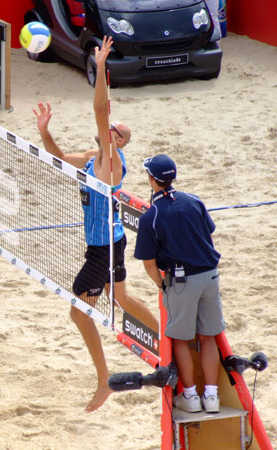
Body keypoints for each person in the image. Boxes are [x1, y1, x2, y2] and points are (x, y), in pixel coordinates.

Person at [33, 35, 158, 413]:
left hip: (105, 248)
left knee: (78, 310)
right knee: (119, 298)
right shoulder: (91, 157)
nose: (110, 130)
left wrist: (102, 67)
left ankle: (104, 379)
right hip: (106, 242)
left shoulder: (112, 163)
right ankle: (166, 339)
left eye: (116, 131)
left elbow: (101, 109)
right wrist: (44, 132)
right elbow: (56, 155)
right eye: (113, 129)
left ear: (118, 142)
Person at [134, 154, 224, 413]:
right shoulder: (194, 200)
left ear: (152, 180)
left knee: (180, 340)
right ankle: (212, 397)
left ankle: (191, 397)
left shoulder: (151, 216)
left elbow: (149, 264)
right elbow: (208, 233)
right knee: (209, 338)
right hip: (210, 275)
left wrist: (161, 286)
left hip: (182, 281)